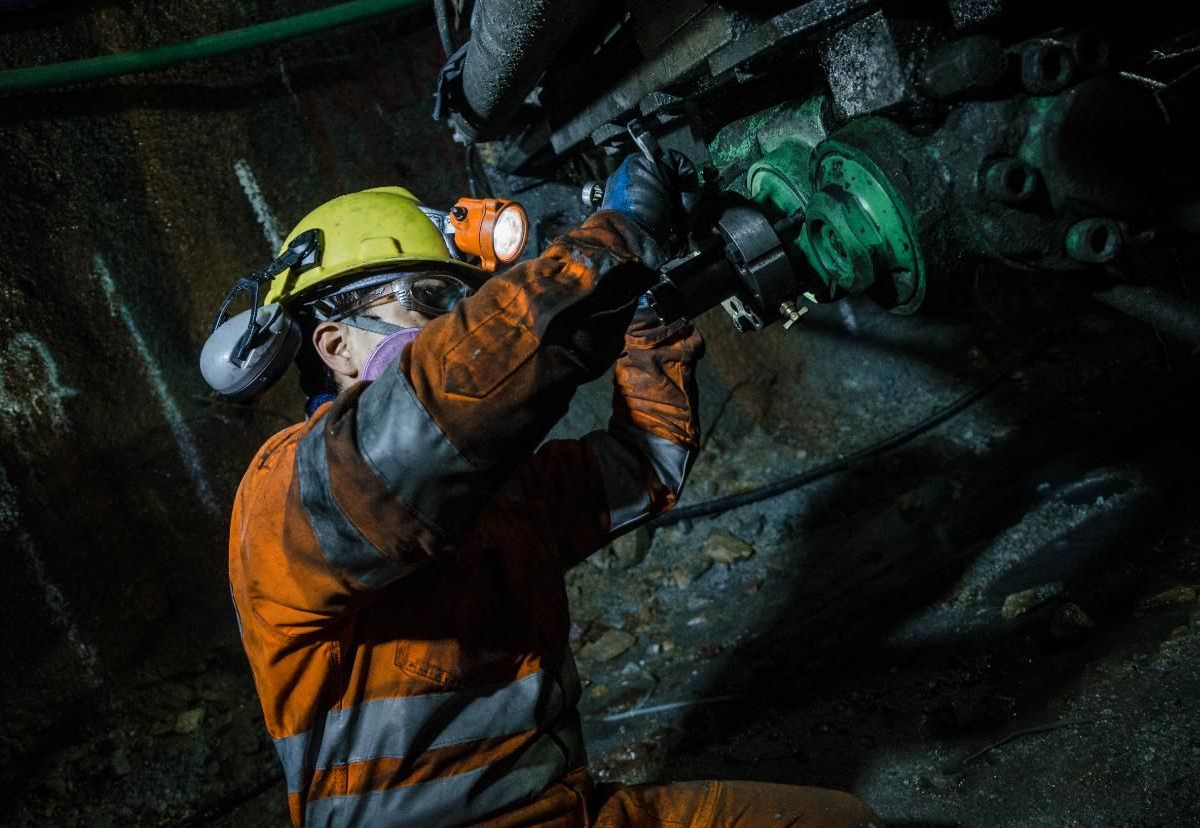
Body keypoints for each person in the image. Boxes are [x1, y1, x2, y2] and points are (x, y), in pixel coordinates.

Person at [215, 155, 881, 827]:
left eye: (463, 301)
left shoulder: (490, 500)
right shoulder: (284, 500)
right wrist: (614, 240)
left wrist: (645, 320)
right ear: (334, 345)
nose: (457, 322)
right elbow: (434, 413)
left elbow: (639, 466)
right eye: (429, 301)